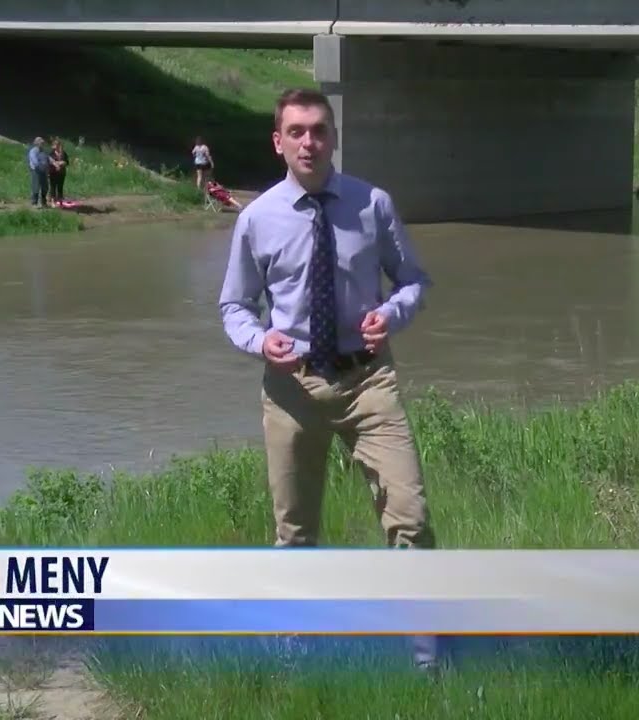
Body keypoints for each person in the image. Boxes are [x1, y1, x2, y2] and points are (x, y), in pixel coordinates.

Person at [217, 87, 439, 671]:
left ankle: (425, 659)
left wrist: (391, 313)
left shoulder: (373, 205)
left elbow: (414, 279)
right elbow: (234, 307)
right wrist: (259, 340)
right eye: (296, 132)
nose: (308, 142)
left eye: (318, 130)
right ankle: (298, 653)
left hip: (369, 383)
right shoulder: (256, 219)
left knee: (410, 519)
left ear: (333, 137)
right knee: (294, 531)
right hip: (292, 389)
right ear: (278, 143)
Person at [26, 137, 50, 208]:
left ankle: (43, 202)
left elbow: (48, 158)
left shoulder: (43, 151)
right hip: (36, 171)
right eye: (41, 143)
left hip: (44, 171)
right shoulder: (33, 151)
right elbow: (34, 161)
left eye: (43, 143)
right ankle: (34, 202)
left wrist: (54, 162)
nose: (42, 144)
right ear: (37, 143)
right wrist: (41, 165)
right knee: (36, 186)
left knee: (45, 187)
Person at [47, 139, 70, 206]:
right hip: (53, 172)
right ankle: (52, 201)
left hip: (61, 173)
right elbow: (49, 162)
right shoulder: (51, 153)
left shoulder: (63, 153)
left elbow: (67, 162)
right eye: (55, 145)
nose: (57, 146)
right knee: (53, 187)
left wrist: (62, 163)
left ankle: (60, 201)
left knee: (60, 187)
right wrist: (56, 163)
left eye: (58, 145)